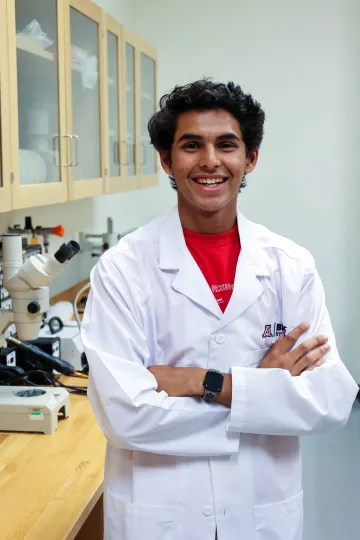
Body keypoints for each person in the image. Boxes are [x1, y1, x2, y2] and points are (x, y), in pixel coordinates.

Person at [81, 79, 358, 540]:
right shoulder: (122, 269)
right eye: (192, 145)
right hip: (161, 515)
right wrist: (264, 393)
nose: (210, 161)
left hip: (259, 511)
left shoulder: (290, 265)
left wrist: (201, 382)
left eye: (226, 145)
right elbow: (126, 416)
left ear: (249, 158)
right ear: (167, 159)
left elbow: (329, 401)